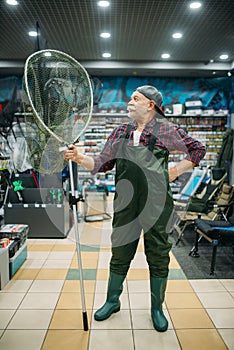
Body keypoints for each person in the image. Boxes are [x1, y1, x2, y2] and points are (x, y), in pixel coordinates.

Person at [64, 85, 206, 332]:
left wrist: (174, 171)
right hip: (126, 204)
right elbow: (100, 163)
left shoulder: (167, 130)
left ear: (150, 105)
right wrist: (79, 158)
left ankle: (156, 308)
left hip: (158, 204)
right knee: (120, 251)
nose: (129, 102)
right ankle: (112, 301)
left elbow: (198, 149)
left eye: (135, 99)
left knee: (159, 254)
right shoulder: (121, 131)